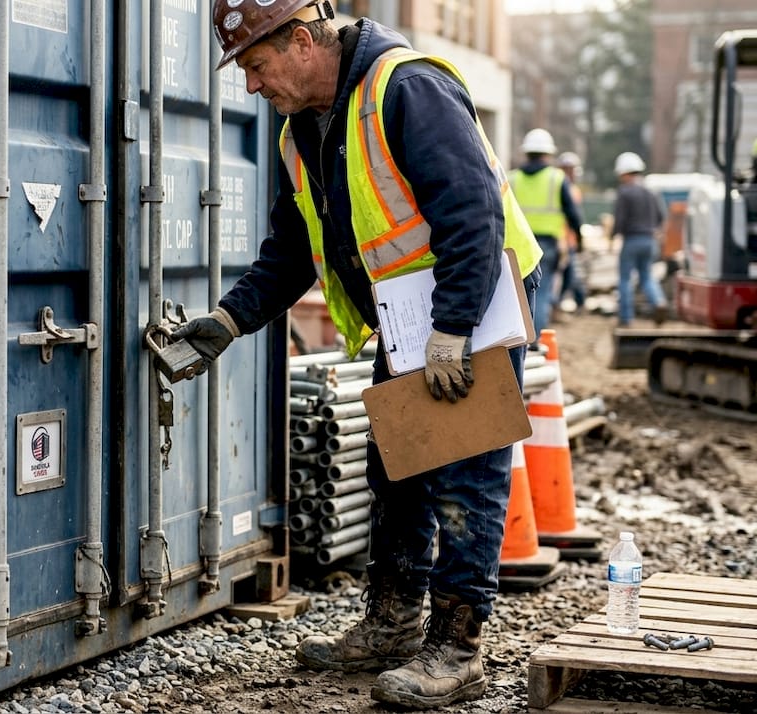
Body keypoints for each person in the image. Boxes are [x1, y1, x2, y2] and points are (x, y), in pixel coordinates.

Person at [173, 1, 541, 708]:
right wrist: (229, 319)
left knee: (465, 472)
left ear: (302, 41)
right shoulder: (300, 132)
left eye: (256, 65)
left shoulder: (406, 87)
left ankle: (458, 648)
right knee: (397, 469)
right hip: (411, 315)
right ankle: (394, 623)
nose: (251, 85)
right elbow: (291, 251)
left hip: (474, 297)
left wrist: (453, 329)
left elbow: (474, 212)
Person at [509, 130, 584, 335]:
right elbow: (572, 213)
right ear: (548, 154)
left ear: (526, 152)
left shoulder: (511, 178)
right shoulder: (556, 178)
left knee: (515, 294)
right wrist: (579, 239)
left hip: (516, 243)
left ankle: (516, 339)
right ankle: (534, 339)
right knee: (541, 291)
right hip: (547, 244)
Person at [610, 151, 666, 326]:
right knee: (647, 276)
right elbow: (661, 217)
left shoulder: (625, 192)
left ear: (624, 173)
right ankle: (658, 302)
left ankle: (626, 318)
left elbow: (620, 219)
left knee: (625, 279)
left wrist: (612, 236)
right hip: (650, 240)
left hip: (632, 240)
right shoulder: (650, 192)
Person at [554, 151, 587, 317]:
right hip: (560, 240)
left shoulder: (573, 190)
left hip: (567, 240)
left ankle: (560, 305)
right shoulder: (558, 186)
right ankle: (556, 306)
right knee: (563, 276)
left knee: (569, 276)